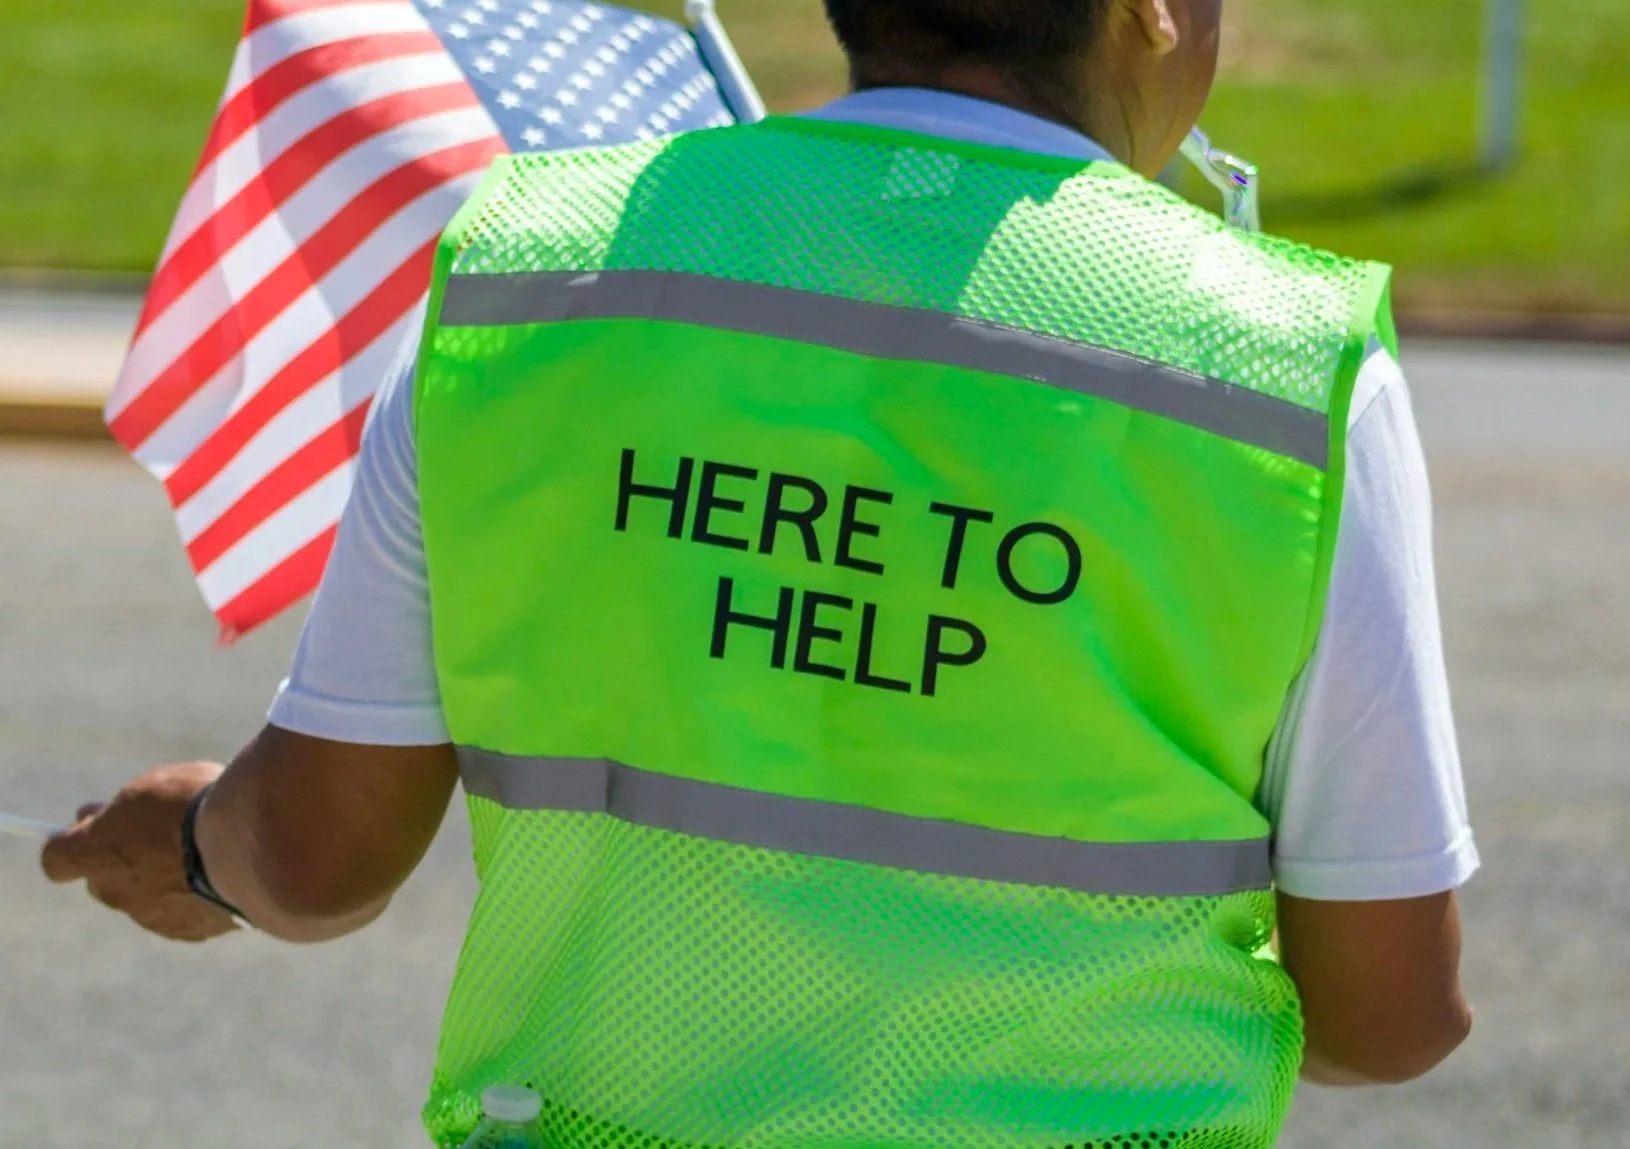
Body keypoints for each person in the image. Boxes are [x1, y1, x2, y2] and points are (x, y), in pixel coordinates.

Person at [42, 0, 1478, 1145]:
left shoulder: (531, 274)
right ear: (1152, 12)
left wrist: (194, 843)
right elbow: (1389, 1014)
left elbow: (314, 859)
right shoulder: (1283, 371)